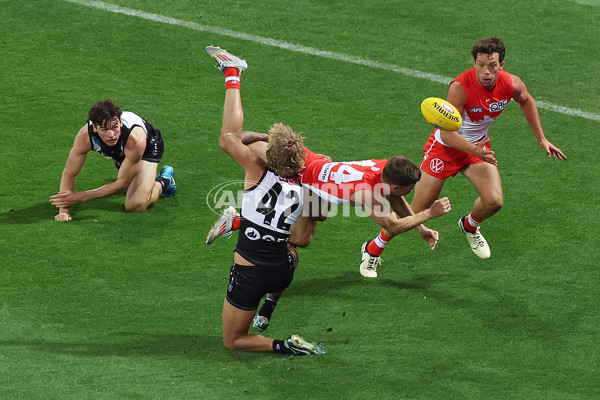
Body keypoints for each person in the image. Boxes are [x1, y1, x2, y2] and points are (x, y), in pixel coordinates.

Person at [206, 45, 325, 355]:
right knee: (296, 245)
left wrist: (258, 138)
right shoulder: (309, 184)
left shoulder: (256, 170)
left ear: (269, 156)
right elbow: (317, 218)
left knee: (233, 340)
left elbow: (229, 137)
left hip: (250, 273)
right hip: (283, 268)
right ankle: (269, 305)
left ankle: (285, 346)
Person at [411, 36, 567, 259]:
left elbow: (527, 101)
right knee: (416, 211)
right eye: (481, 64)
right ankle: (373, 248)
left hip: (478, 149)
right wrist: (475, 151)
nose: (486, 71)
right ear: (474, 62)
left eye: (492, 65)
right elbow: (447, 132)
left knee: (494, 202)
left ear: (501, 65)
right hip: (446, 149)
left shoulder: (511, 83)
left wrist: (541, 139)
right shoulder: (460, 87)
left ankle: (469, 225)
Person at [49, 100, 176, 221]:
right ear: (94, 127)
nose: (111, 134)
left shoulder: (135, 139)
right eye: (104, 129)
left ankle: (164, 181)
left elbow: (122, 184)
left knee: (135, 205)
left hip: (147, 147)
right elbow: (69, 173)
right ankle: (129, 169)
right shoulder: (85, 137)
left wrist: (81, 196)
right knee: (131, 178)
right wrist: (64, 211)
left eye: (115, 127)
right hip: (123, 151)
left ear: (120, 122)